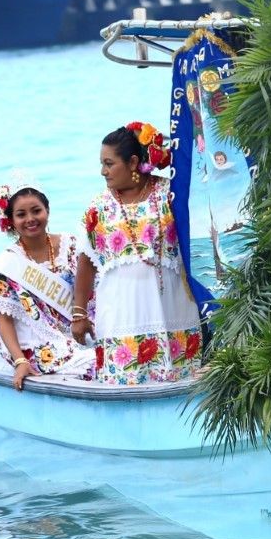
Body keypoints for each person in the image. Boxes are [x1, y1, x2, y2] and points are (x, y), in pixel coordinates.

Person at [71, 122, 203, 384]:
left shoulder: (170, 195)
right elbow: (86, 263)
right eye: (102, 164)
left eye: (109, 164)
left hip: (171, 311)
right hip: (120, 317)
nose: (103, 171)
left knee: (179, 380)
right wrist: (79, 314)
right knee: (123, 381)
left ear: (133, 162)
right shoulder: (98, 207)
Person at [0, 176, 93, 390]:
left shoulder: (71, 245)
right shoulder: (7, 264)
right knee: (92, 365)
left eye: (36, 211)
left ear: (47, 211)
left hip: (78, 331)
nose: (30, 219)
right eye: (21, 214)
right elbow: (4, 320)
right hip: (37, 342)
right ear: (11, 220)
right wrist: (20, 361)